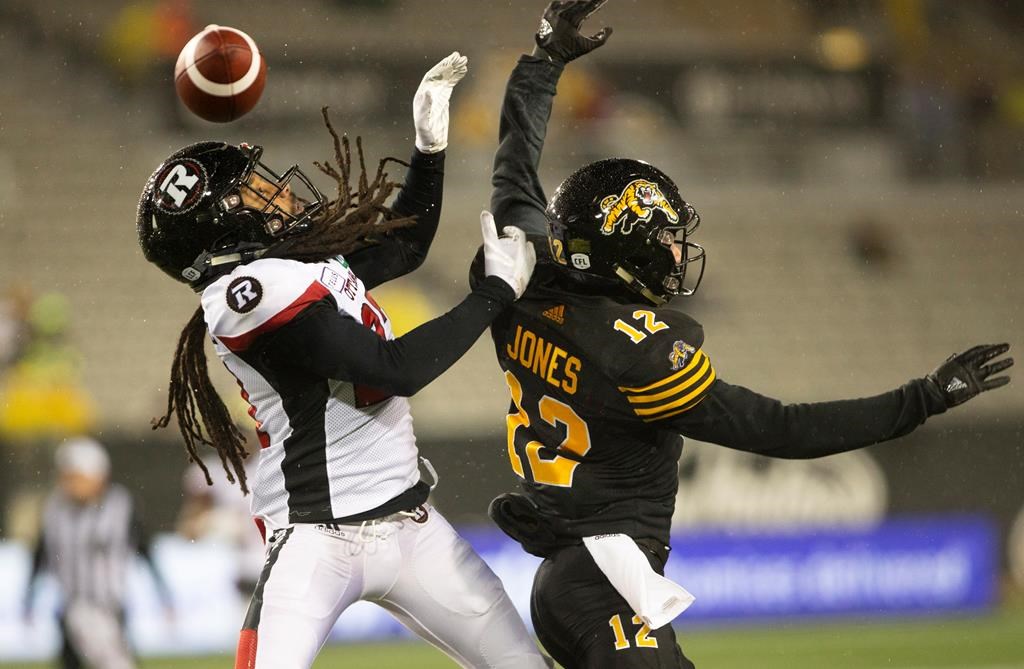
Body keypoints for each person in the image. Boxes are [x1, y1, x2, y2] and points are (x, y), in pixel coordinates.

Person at [479, 2, 1015, 667]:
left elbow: (512, 170)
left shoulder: (526, 283)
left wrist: (542, 64)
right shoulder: (636, 350)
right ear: (627, 246)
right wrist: (922, 398)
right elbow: (781, 428)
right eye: (667, 239)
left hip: (579, 575)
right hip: (603, 580)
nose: (679, 254)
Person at [136, 53, 547, 668]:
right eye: (250, 190)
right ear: (222, 231)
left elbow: (404, 244)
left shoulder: (293, 269)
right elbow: (394, 367)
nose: (274, 189)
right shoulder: (244, 297)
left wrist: (428, 148)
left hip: (412, 525)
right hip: (314, 540)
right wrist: (494, 294)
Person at [23, 437, 173, 669]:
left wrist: (163, 595)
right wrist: (29, 598)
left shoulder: (121, 505)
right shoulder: (54, 508)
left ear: (98, 475)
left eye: (76, 476)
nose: (69, 483)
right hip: (70, 607)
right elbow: (40, 554)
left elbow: (144, 550)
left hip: (111, 606)